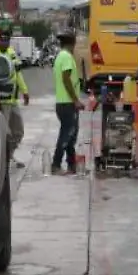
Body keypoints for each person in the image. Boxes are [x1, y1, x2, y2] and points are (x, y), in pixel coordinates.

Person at [0, 33, 31, 166]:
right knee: (3, 132)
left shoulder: (11, 53)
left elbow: (18, 74)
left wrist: (25, 91)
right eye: (2, 40)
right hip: (1, 101)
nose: (5, 43)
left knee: (18, 131)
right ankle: (1, 160)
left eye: (7, 40)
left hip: (13, 100)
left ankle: (8, 155)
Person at [51, 32, 82, 175]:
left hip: (62, 102)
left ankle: (72, 165)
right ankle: (56, 165)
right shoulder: (67, 57)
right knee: (67, 134)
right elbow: (66, 79)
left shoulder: (59, 56)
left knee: (71, 135)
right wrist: (75, 100)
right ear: (73, 43)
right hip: (67, 103)